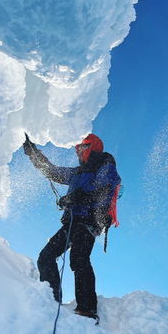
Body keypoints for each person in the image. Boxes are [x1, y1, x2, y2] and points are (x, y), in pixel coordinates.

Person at [23, 133, 121, 320]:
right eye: (77, 148)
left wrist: (75, 197)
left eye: (81, 147)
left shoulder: (105, 165)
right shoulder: (77, 172)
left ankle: (87, 309)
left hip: (90, 222)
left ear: (91, 147)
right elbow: (51, 171)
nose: (77, 151)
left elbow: (103, 189)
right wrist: (32, 152)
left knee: (79, 259)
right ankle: (51, 299)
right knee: (46, 256)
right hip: (72, 222)